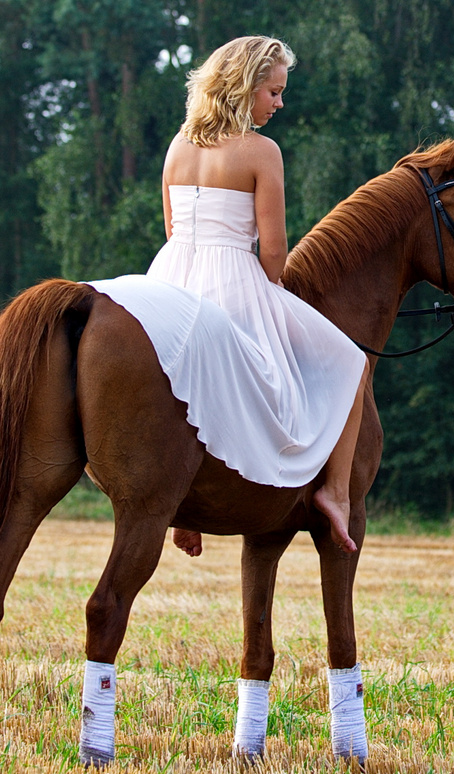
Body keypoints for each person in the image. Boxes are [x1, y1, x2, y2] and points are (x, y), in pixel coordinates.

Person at [149, 36, 366, 556]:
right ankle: (336, 493)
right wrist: (269, 288)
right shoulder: (260, 152)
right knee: (349, 361)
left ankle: (186, 506)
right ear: (246, 88)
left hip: (169, 279)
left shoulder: (179, 145)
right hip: (233, 278)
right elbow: (273, 253)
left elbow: (171, 228)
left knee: (187, 383)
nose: (279, 103)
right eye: (274, 91)